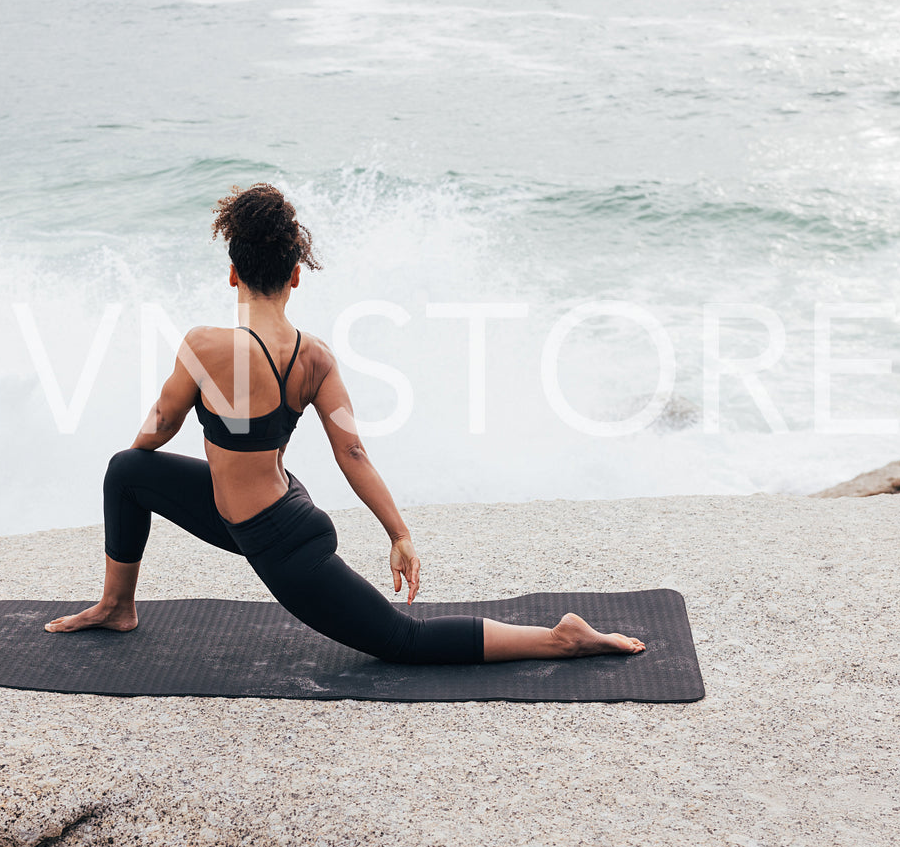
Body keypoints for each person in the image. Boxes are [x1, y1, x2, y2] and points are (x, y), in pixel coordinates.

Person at [46, 183, 645, 664]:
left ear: (233, 272)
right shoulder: (315, 358)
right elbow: (352, 454)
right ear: (296, 275)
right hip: (270, 513)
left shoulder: (203, 347)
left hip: (280, 542)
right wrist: (398, 533)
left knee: (401, 643)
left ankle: (560, 637)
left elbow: (157, 428)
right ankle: (116, 607)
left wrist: (150, 451)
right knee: (126, 473)